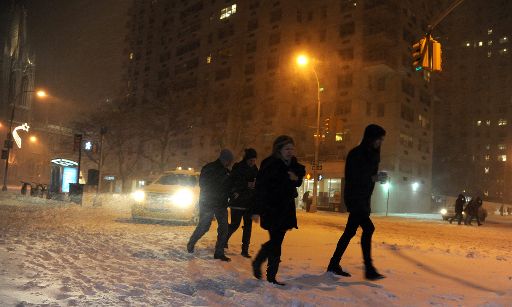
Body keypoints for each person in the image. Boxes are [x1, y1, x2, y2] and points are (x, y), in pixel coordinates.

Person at [326, 124, 387, 281]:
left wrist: (377, 178)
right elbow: (354, 178)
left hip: (364, 198)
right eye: (378, 139)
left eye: (381, 140)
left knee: (350, 232)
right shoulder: (357, 154)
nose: (380, 142)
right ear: (370, 138)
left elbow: (367, 177)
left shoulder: (372, 155)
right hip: (355, 198)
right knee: (368, 228)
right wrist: (373, 178)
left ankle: (334, 263)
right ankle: (369, 268)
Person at [251, 135, 305, 286]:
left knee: (277, 241)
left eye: (292, 149)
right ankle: (269, 274)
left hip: (286, 209)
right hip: (271, 208)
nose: (290, 151)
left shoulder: (293, 164)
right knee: (276, 242)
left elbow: (298, 180)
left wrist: (296, 179)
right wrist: (256, 210)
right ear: (278, 149)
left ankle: (262, 266)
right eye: (287, 149)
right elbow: (260, 188)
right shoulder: (269, 164)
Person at [187, 149, 234, 261]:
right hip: (208, 203)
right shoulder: (209, 168)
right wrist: (218, 190)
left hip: (221, 204)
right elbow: (203, 184)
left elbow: (228, 187)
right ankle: (191, 242)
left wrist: (232, 193)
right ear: (224, 159)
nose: (229, 163)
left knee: (224, 228)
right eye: (229, 160)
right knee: (204, 226)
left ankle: (219, 252)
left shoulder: (227, 172)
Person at [226, 148, 258, 258]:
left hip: (249, 203)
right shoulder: (238, 167)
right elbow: (232, 182)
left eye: (254, 160)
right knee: (235, 224)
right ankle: (223, 240)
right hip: (238, 202)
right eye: (251, 160)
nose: (252, 162)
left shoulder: (255, 169)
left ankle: (245, 250)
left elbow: (257, 184)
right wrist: (246, 185)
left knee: (248, 227)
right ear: (246, 159)